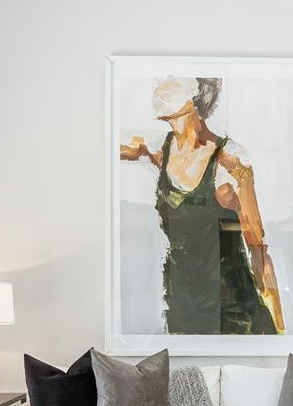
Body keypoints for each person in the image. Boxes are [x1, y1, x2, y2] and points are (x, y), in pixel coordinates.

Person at [120, 76, 284, 334]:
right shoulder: (161, 149)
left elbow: (257, 247)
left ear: (195, 99)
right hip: (181, 305)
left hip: (232, 311)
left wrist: (280, 328)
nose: (161, 88)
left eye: (175, 83)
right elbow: (112, 144)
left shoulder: (229, 160)